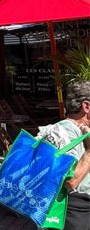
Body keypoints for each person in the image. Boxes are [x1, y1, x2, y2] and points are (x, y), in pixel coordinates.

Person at [38, 80, 90, 230]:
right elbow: (70, 181)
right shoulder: (63, 133)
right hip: (73, 213)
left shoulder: (82, 131)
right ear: (86, 106)